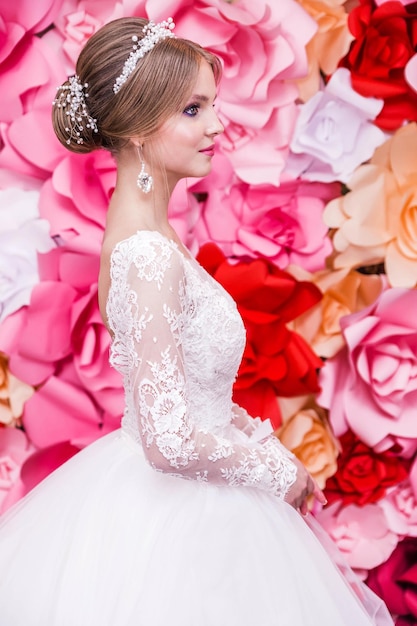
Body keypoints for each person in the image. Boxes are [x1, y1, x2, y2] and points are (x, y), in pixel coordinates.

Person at [0, 16, 393, 626]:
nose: (215, 125)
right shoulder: (147, 254)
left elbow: (191, 392)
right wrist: (272, 469)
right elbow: (169, 438)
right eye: (191, 110)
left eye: (210, 105)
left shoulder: (153, 239)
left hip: (197, 495)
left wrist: (260, 442)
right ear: (134, 129)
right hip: (183, 518)